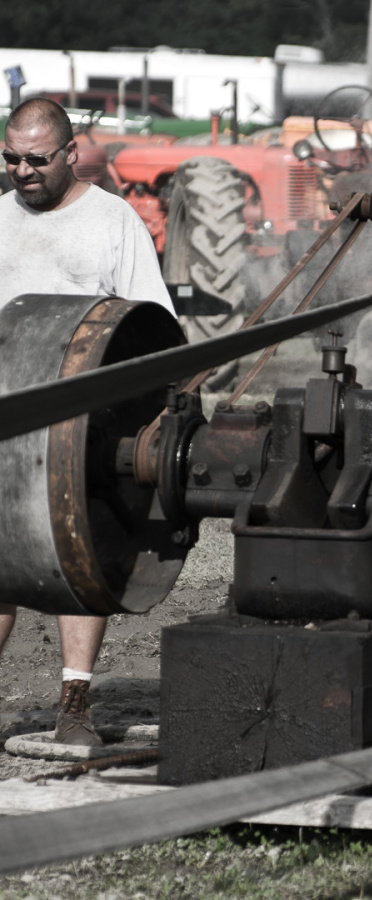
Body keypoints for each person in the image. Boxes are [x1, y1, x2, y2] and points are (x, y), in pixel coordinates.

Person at [0, 98, 176, 746]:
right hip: (6, 424)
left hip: (81, 433)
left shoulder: (112, 223)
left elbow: (151, 330)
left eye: (36, 160)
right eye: (10, 158)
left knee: (80, 561)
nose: (22, 171)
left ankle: (74, 703)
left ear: (71, 154)